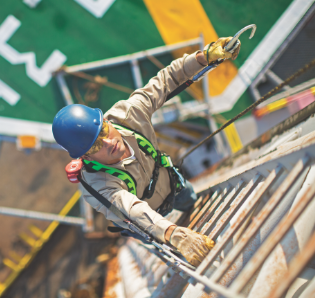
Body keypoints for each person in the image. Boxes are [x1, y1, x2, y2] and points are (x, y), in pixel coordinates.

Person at [52, 38, 240, 266]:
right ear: (85, 156)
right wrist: (173, 234)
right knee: (178, 256)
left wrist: (204, 57)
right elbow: (131, 209)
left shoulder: (127, 114)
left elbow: (166, 80)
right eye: (95, 145)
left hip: (172, 185)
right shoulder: (96, 185)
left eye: (103, 130)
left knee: (190, 199)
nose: (108, 141)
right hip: (150, 219)